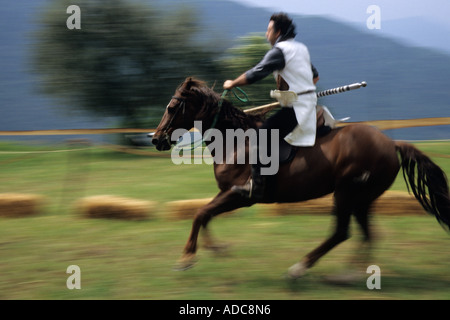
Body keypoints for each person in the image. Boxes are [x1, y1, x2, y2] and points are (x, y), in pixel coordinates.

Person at [223, 12, 319, 200]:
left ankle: (257, 187)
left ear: (278, 32)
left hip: (297, 109)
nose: (266, 34)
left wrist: (232, 83)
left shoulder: (279, 51)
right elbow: (315, 77)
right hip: (306, 104)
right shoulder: (301, 48)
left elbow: (256, 73)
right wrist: (292, 93)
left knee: (262, 134)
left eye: (268, 30)